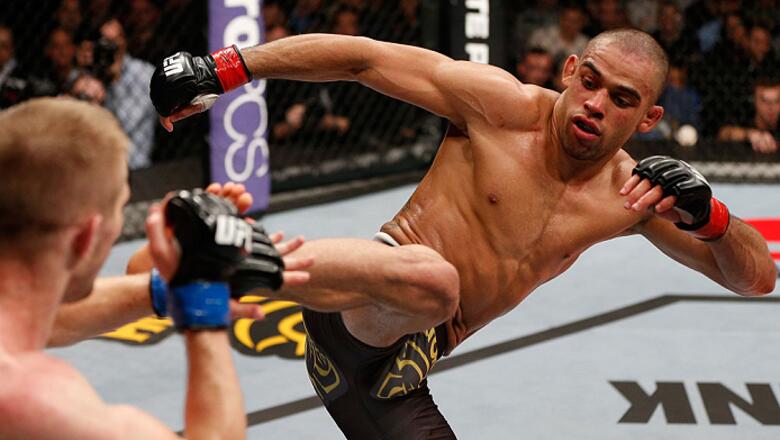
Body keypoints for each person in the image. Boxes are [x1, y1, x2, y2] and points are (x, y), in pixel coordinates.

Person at [150, 29, 777, 438]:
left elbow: (755, 280)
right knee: (433, 280)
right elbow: (363, 59)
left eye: (620, 98)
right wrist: (225, 67)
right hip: (362, 301)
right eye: (590, 81)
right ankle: (240, 252)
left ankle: (211, 270)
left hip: (392, 375)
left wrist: (713, 219)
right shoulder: (498, 107)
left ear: (649, 118)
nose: (595, 104)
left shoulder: (633, 196)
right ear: (569, 71)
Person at [0, 97, 309, 439]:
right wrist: (201, 296)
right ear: (85, 237)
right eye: (120, 206)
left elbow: (44, 316)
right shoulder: (34, 401)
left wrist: (167, 285)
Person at [718, 77, 780, 154]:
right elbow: (724, 133)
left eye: (776, 101)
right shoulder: (744, 118)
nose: (771, 107)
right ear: (755, 101)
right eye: (765, 101)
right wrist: (750, 135)